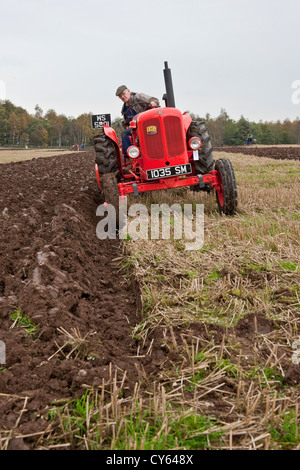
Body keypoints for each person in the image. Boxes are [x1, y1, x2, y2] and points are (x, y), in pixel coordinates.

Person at [115, 85, 159, 155]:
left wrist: (153, 103)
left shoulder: (138, 97)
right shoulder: (124, 108)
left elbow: (154, 100)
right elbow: (126, 123)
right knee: (125, 133)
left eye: (123, 94)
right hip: (135, 129)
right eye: (120, 96)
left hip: (147, 125)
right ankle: (131, 156)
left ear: (128, 91)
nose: (122, 97)